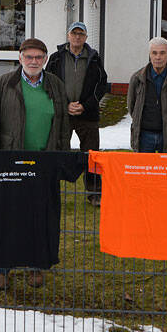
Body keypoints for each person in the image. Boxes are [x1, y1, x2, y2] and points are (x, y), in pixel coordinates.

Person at [0, 37, 70, 289]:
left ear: (45, 60)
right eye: (29, 57)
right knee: (6, 216)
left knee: (40, 217)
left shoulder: (55, 84)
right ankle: (2, 267)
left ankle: (36, 266)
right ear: (20, 58)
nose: (33, 61)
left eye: (38, 57)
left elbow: (64, 124)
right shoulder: (5, 83)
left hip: (44, 162)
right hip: (11, 161)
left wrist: (62, 157)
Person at [45, 21, 108, 206]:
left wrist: (85, 106)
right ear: (68, 36)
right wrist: (65, 105)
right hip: (63, 115)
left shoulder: (94, 58)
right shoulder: (56, 58)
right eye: (74, 33)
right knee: (58, 152)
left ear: (86, 37)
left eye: (81, 34)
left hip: (87, 115)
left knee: (92, 156)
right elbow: (48, 83)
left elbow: (101, 84)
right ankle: (51, 191)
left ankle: (95, 193)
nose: (77, 37)